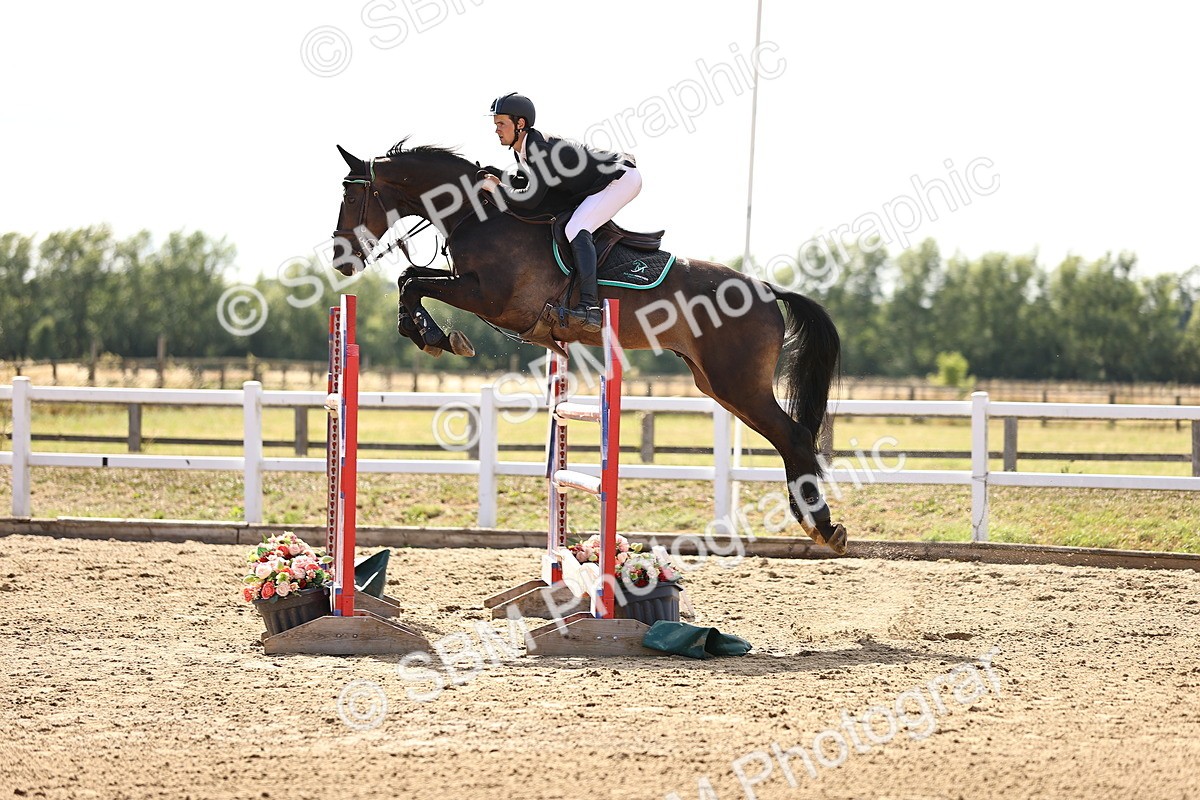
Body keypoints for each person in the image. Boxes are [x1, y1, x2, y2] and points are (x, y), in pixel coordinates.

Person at [480, 92, 642, 332]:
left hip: (619, 179)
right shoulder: (523, 149)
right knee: (573, 225)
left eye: (501, 124)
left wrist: (496, 187)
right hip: (604, 181)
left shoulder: (537, 148)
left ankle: (590, 308)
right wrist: (494, 175)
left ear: (520, 124)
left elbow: (531, 199)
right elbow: (525, 182)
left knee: (576, 227)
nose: (496, 130)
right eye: (496, 125)